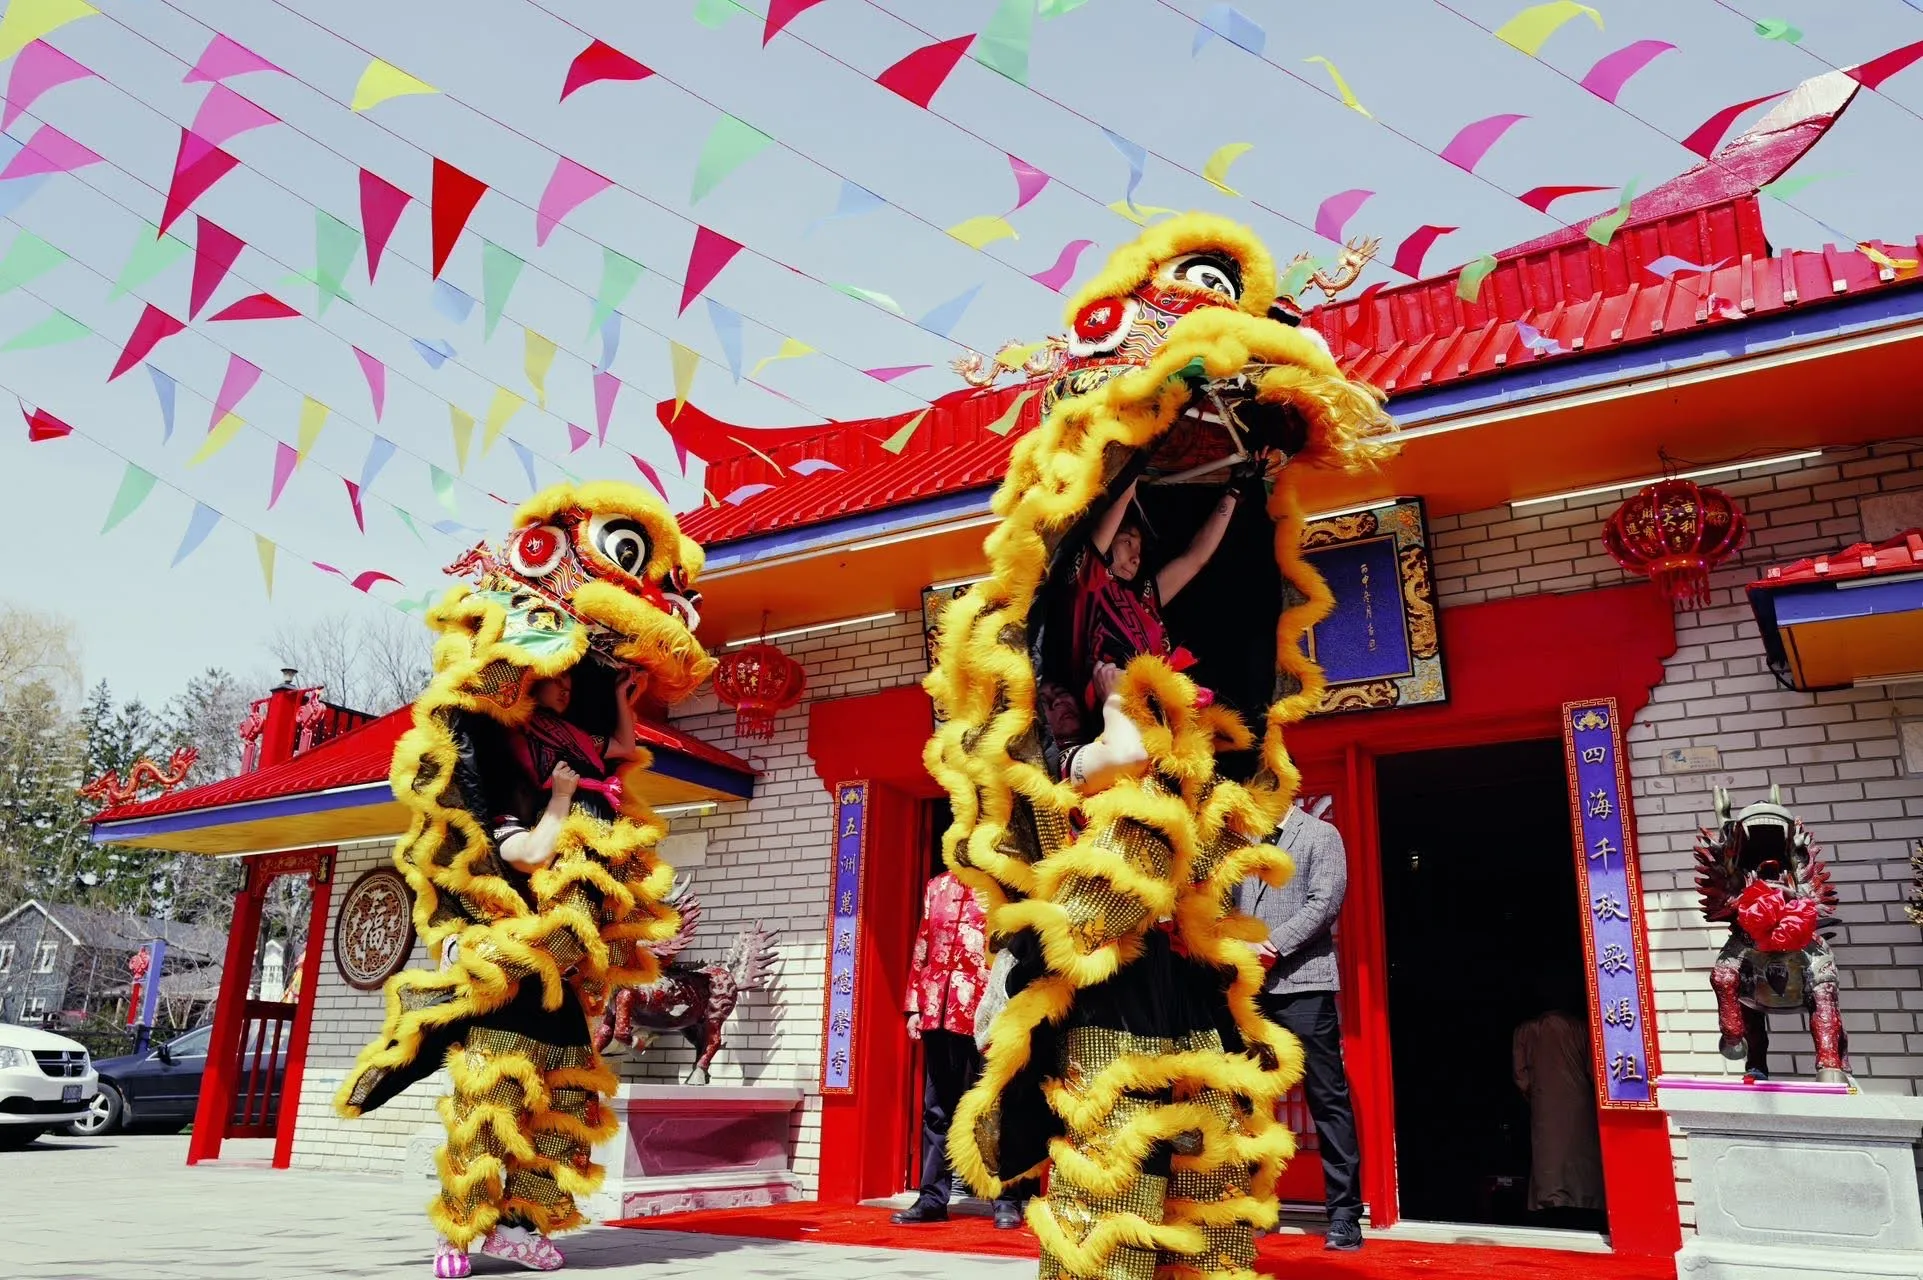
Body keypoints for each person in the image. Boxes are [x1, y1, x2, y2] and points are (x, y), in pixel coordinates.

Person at [1236, 801, 1364, 1252]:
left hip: (1303, 984)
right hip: (1249, 987)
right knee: (1247, 1098)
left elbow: (1325, 900)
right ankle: (1254, 1207)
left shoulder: (1320, 834)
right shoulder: (1244, 840)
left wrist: (1273, 944)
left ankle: (1345, 1214)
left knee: (1326, 1096)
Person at [895, 869, 1035, 1230]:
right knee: (937, 1109)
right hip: (938, 1010)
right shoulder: (936, 886)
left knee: (996, 1107)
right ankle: (932, 1198)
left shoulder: (1007, 883)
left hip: (986, 1013)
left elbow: (1017, 951)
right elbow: (923, 942)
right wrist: (914, 1006)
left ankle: (1006, 1198)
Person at [1513, 982, 1606, 1230]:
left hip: (1545, 1103)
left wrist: (1535, 1096)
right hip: (1580, 1103)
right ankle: (1586, 1200)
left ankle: (1549, 1203)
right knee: (1581, 1155)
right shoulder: (1582, 1028)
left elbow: (1520, 1075)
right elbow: (1594, 1070)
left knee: (1548, 1156)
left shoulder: (1526, 1030)